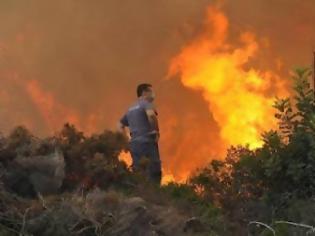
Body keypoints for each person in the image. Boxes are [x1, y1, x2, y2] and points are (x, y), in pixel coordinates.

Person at [118, 83, 162, 184]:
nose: (153, 94)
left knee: (138, 170)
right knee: (154, 170)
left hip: (134, 144)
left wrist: (126, 139)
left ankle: (140, 193)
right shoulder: (146, 103)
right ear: (145, 92)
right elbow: (151, 116)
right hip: (147, 142)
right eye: (151, 91)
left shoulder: (130, 109)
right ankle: (155, 194)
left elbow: (119, 125)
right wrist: (156, 131)